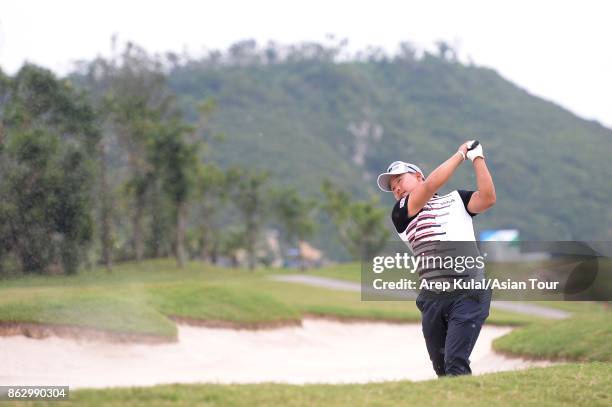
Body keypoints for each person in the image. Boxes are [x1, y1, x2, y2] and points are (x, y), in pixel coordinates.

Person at [376, 140, 496, 377]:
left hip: (469, 292)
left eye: (399, 180)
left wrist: (478, 158)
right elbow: (431, 184)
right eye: (392, 188)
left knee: (455, 364)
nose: (396, 189)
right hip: (433, 300)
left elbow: (488, 198)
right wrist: (461, 154)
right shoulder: (402, 211)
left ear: (417, 175)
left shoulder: (457, 200)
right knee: (442, 371)